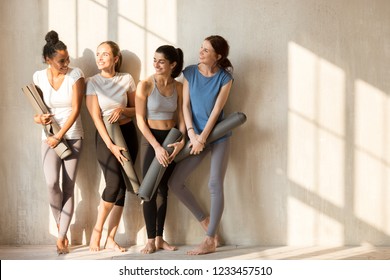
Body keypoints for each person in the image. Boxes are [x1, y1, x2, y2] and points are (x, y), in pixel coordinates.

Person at [168, 35, 234, 255]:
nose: (201, 52)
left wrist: (204, 137)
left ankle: (209, 241)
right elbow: (185, 107)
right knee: (175, 182)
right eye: (201, 48)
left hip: (218, 135)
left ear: (218, 56)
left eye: (206, 50)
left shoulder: (225, 78)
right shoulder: (190, 72)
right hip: (195, 136)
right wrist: (192, 135)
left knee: (215, 183)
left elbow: (216, 111)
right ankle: (206, 222)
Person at [33, 30, 85, 255]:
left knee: (69, 186)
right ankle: (60, 225)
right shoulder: (38, 77)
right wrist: (38, 119)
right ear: (48, 59)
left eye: (67, 59)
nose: (67, 63)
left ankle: (62, 236)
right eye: (61, 60)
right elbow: (38, 108)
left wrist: (59, 134)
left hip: (72, 134)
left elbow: (76, 109)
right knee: (52, 184)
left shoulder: (76, 75)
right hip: (49, 136)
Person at [86, 41, 138, 252]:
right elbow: (96, 118)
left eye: (105, 54)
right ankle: (97, 231)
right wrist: (111, 146)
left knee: (123, 188)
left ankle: (111, 238)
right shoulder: (92, 82)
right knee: (113, 183)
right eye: (98, 54)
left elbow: (137, 110)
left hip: (128, 134)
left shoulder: (127, 79)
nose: (99, 58)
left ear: (115, 59)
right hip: (105, 137)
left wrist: (123, 110)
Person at [135, 45, 186, 254]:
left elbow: (182, 118)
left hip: (171, 139)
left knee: (164, 191)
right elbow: (140, 120)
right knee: (149, 191)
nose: (155, 64)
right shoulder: (145, 85)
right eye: (154, 60)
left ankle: (159, 238)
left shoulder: (180, 87)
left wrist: (181, 141)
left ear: (172, 65)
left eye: (161, 61)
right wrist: (156, 147)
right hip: (151, 141)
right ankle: (149, 239)